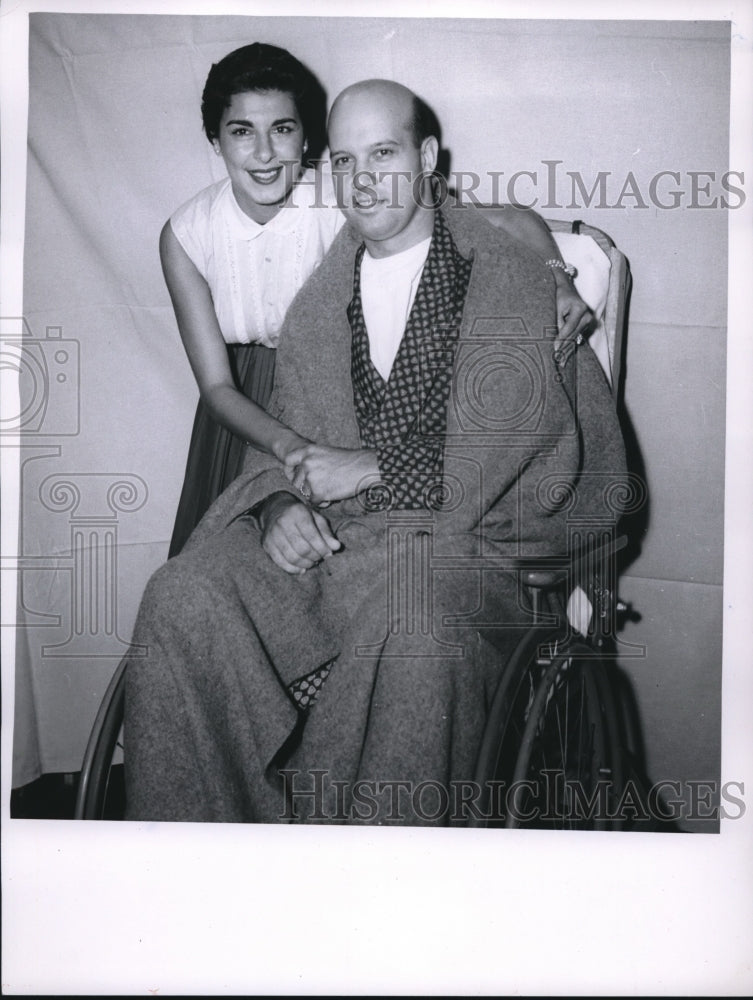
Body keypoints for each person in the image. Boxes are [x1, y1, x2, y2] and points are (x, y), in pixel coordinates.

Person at [124, 79, 625, 825]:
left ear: (425, 156)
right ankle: (209, 859)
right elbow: (286, 437)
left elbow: (530, 447)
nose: (363, 181)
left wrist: (375, 467)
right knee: (184, 594)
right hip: (344, 545)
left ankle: (365, 881)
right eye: (346, 160)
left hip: (465, 558)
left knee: (410, 619)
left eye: (383, 153)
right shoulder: (320, 302)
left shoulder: (512, 280)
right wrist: (280, 504)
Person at [162, 43, 594, 556]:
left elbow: (501, 221)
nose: (263, 153)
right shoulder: (187, 234)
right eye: (240, 132)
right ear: (215, 140)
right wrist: (290, 454)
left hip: (332, 391)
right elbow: (216, 386)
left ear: (306, 141)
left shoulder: (344, 193)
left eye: (282, 129)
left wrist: (557, 277)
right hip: (243, 406)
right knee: (223, 550)